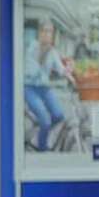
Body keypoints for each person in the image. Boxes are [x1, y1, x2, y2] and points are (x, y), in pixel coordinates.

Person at [25, 17, 76, 152]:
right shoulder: (31, 47)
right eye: (45, 31)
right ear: (39, 33)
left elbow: (61, 69)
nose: (48, 34)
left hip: (45, 88)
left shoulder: (53, 52)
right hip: (30, 88)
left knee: (59, 116)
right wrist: (44, 54)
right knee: (46, 121)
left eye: (50, 32)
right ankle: (42, 148)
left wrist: (71, 76)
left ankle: (41, 130)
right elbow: (31, 70)